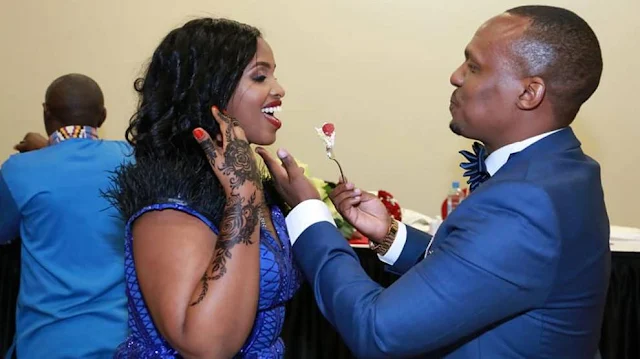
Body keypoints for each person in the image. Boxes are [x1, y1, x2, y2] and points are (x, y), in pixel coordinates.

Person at [257, 5, 609, 358]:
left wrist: (308, 212)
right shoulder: (566, 169)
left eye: (473, 67)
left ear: (529, 93)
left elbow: (378, 331)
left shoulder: (526, 200)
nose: (456, 76)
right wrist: (391, 234)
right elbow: (484, 274)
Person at [105, 18, 299, 358]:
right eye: (259, 76)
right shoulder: (171, 199)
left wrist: (304, 206)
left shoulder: (252, 185)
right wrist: (243, 198)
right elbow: (206, 346)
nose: (279, 88)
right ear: (211, 90)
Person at [0, 73, 129, 358]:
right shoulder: (131, 159)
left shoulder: (18, 171)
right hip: (122, 343)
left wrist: (45, 151)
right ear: (103, 116)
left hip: (45, 344)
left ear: (46, 113)